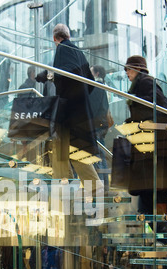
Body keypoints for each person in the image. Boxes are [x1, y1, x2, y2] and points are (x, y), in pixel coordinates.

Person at [123, 55, 167, 240]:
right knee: (148, 195)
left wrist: (136, 122)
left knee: (150, 194)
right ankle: (166, 231)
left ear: (138, 68)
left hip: (151, 149)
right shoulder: (142, 84)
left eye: (128, 69)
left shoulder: (146, 82)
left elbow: (165, 110)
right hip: (148, 148)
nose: (126, 73)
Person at [51, 23, 101, 194]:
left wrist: (51, 78)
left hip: (69, 109)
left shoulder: (62, 49)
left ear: (55, 39)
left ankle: (64, 183)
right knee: (75, 149)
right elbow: (90, 83)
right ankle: (93, 185)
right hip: (80, 110)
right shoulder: (78, 52)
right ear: (69, 36)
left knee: (60, 144)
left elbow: (64, 76)